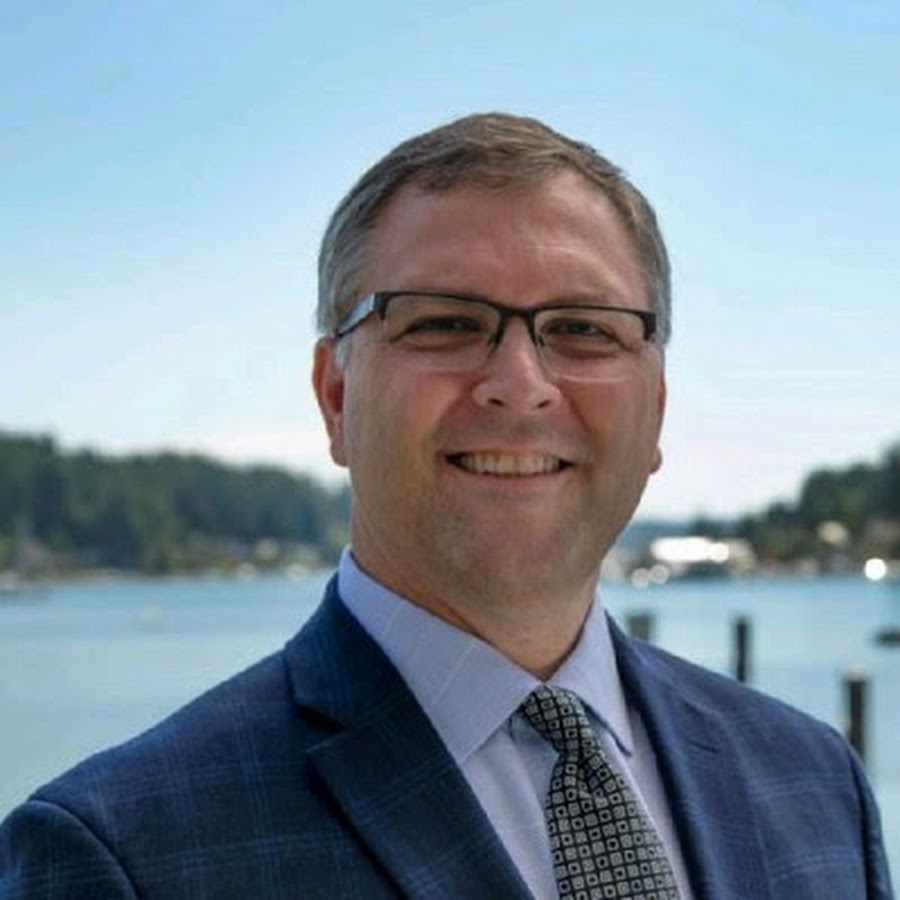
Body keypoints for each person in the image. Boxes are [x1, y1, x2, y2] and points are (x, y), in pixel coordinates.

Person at [0, 112, 893, 900]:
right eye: (444, 322)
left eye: (584, 329)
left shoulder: (816, 784)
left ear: (656, 409)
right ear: (335, 397)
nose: (520, 383)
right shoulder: (121, 856)